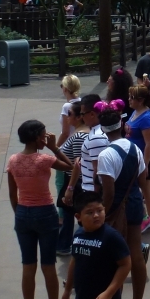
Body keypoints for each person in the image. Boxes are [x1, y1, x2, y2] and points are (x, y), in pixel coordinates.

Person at [6, 119, 73, 299]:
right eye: (44, 136)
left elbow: (12, 194)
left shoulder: (13, 160)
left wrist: (20, 214)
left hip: (23, 213)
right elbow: (71, 167)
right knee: (48, 265)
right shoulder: (45, 159)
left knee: (28, 265)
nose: (47, 139)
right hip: (46, 213)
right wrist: (55, 148)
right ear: (36, 138)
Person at [92, 102, 149, 299]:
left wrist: (103, 214)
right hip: (134, 202)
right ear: (121, 124)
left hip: (116, 209)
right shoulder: (134, 148)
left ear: (103, 129)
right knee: (136, 254)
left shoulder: (106, 155)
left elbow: (108, 192)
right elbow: (142, 181)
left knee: (115, 260)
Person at [127, 84, 150, 234]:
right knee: (143, 188)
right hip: (137, 158)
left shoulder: (147, 118)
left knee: (146, 188)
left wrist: (145, 165)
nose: (129, 100)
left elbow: (149, 144)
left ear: (140, 100)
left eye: (131, 98)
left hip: (148, 159)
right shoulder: (135, 112)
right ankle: (148, 217)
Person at [56, 100, 89, 255]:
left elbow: (77, 163)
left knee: (72, 213)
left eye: (70, 114)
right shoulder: (78, 133)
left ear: (78, 118)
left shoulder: (79, 136)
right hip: (73, 181)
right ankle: (65, 243)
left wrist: (70, 187)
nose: (67, 117)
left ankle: (66, 244)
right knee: (69, 212)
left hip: (75, 182)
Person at [57, 75, 83, 148]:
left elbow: (65, 133)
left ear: (65, 88)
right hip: (80, 141)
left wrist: (56, 147)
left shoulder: (67, 106)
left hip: (68, 145)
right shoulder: (83, 102)